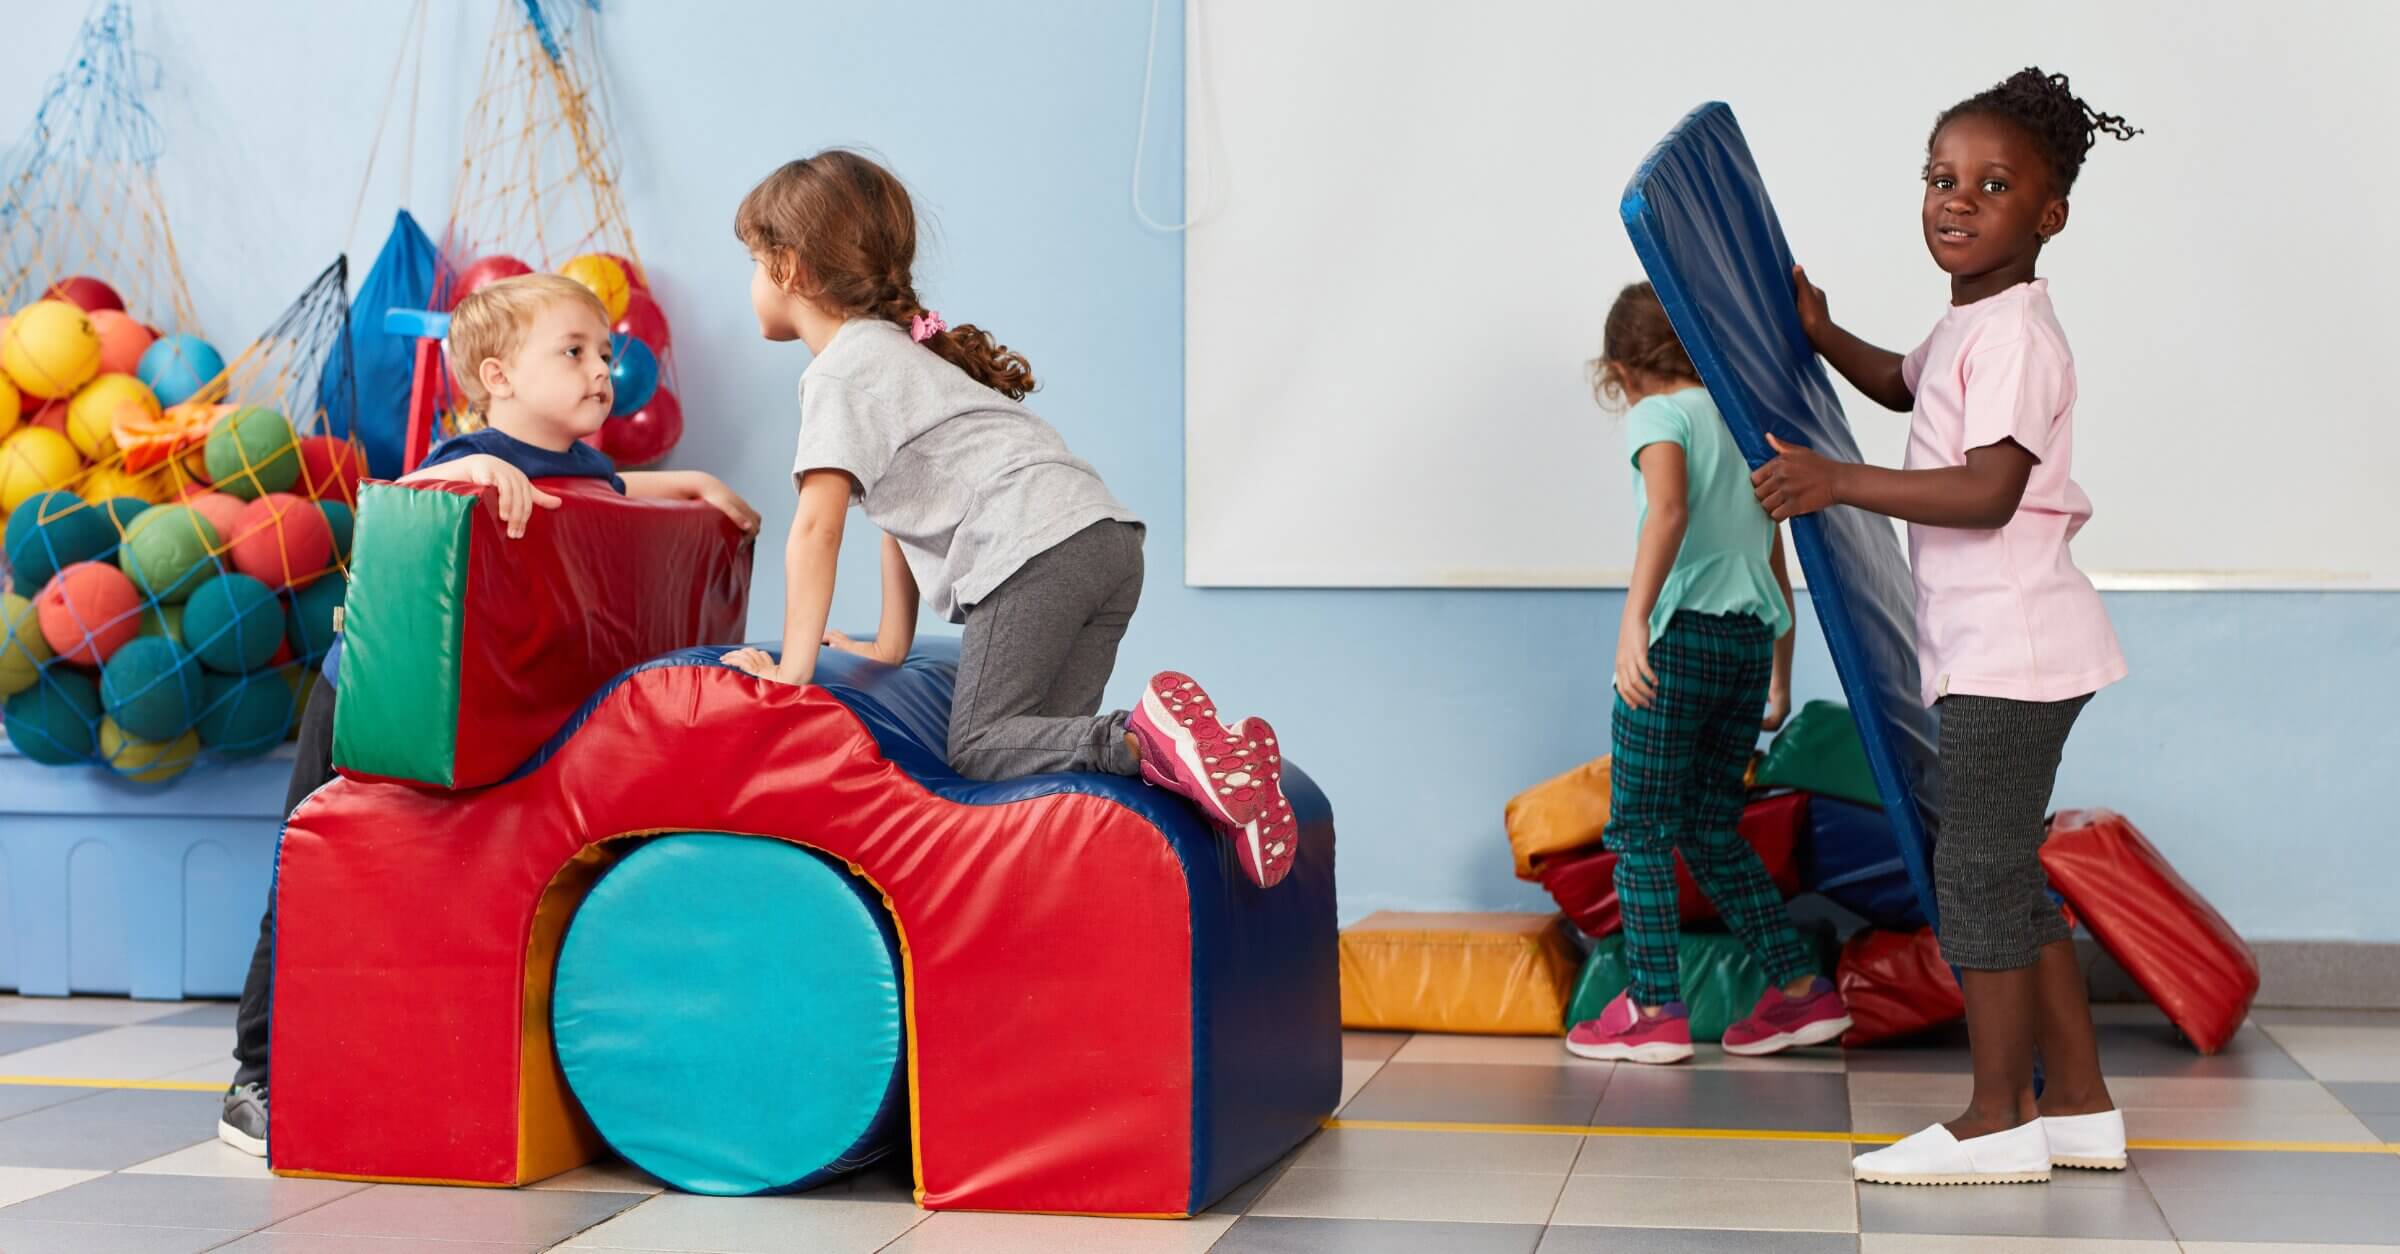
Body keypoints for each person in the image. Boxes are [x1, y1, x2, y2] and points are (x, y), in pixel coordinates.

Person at [1754, 68, 2138, 1185]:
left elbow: (1988, 491)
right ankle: (2077, 1107)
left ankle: (1996, 1118)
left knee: (1973, 877)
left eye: (1993, 184)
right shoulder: (1971, 323)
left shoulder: (2017, 338)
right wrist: (1824, 333)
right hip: (1998, 649)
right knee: (2004, 876)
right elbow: (1900, 385)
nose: (1957, 199)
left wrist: (1837, 483)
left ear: (2049, 215)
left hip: (2015, 652)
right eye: (1940, 177)